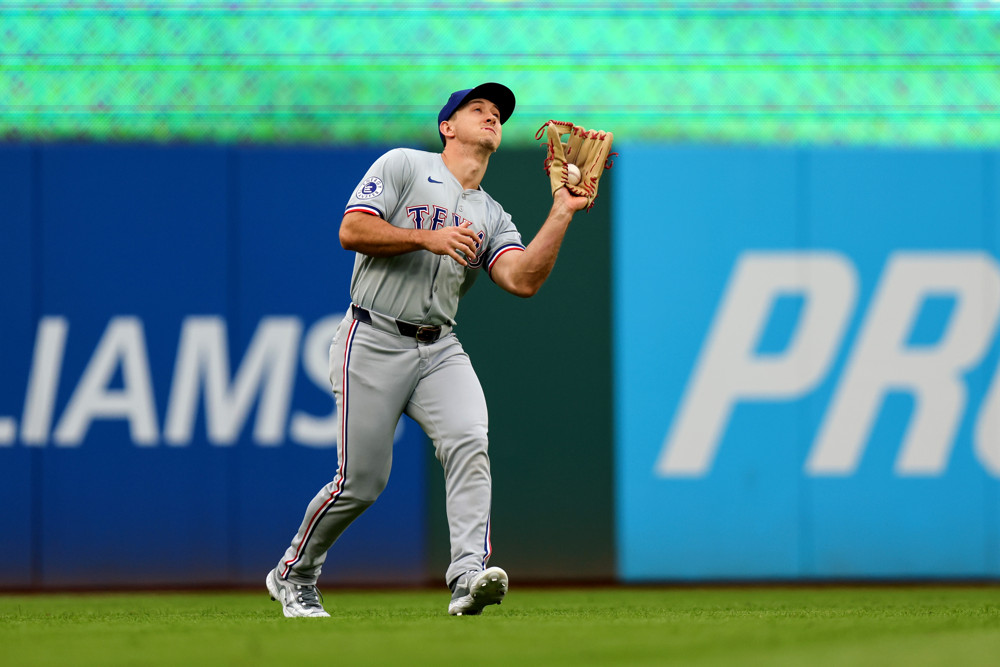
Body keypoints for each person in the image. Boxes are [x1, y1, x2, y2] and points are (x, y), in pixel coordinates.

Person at [266, 82, 590, 617]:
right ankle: (295, 572)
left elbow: (521, 278)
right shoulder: (405, 167)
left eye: (498, 114)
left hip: (439, 345)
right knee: (362, 482)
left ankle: (468, 574)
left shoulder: (491, 214)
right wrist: (426, 237)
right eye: (478, 110)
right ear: (448, 126)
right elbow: (351, 229)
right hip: (371, 335)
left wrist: (561, 211)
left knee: (468, 441)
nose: (492, 118)